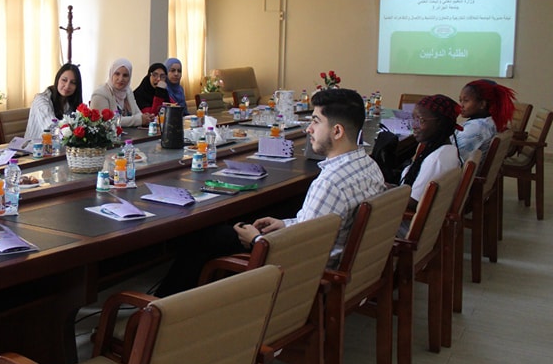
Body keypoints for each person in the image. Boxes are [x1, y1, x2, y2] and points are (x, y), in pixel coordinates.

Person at [156, 88, 386, 296]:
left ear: (337, 131)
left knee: (205, 237)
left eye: (316, 122)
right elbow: (314, 226)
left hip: (304, 277)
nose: (309, 129)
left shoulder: (330, 183)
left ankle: (162, 310)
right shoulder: (370, 166)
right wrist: (285, 224)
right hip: (339, 263)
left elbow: (306, 249)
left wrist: (257, 240)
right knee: (249, 221)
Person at [400, 94, 463, 210]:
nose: (414, 125)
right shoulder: (447, 149)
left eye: (421, 120)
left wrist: (382, 193)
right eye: (413, 119)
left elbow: (413, 202)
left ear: (440, 123)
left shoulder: (436, 160)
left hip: (405, 217)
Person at [455, 79, 517, 162]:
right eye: (460, 100)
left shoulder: (475, 129)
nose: (461, 105)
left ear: (482, 104)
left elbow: (453, 160)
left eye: (466, 101)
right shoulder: (489, 121)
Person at [24, 63, 83, 140]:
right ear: (57, 79)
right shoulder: (41, 100)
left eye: (73, 82)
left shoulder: (70, 102)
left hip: (59, 146)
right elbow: (52, 129)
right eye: (64, 80)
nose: (67, 86)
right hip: (35, 146)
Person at [90, 58, 154, 128]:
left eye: (125, 75)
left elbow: (137, 113)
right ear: (111, 74)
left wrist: (147, 117)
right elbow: (106, 121)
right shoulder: (100, 94)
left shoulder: (127, 91)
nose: (120, 79)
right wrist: (138, 120)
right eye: (117, 74)